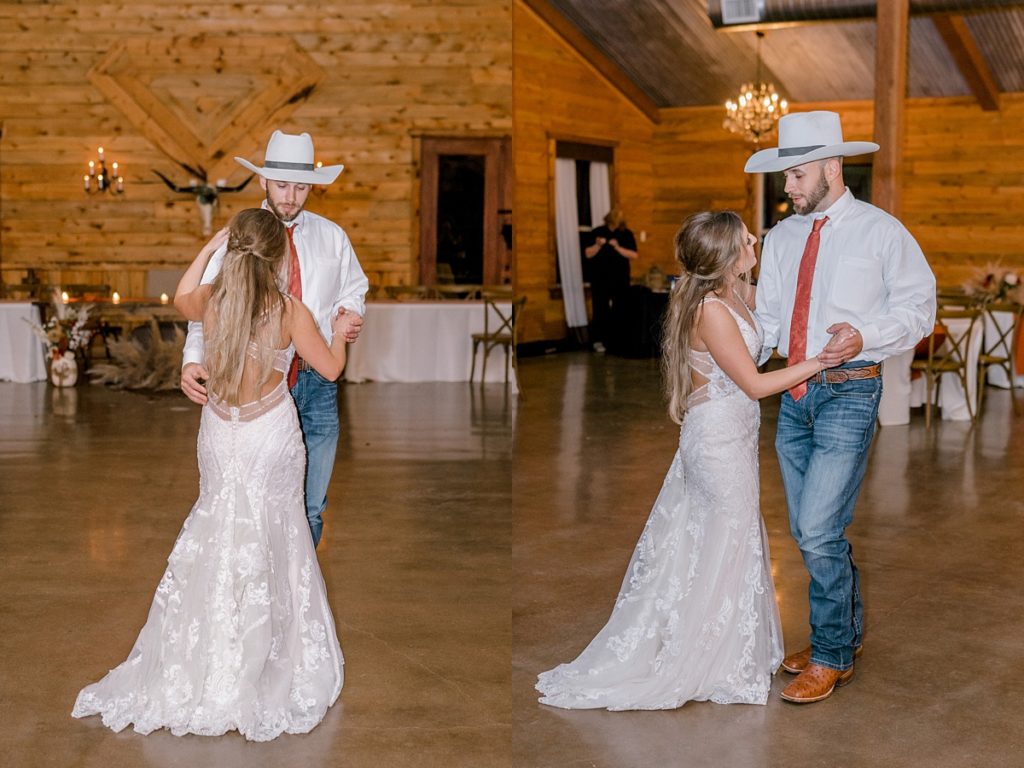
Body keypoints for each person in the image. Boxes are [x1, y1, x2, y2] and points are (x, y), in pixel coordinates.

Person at [537, 211, 837, 710]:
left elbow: (787, 313)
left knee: (724, 540)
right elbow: (756, 384)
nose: (754, 243)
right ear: (726, 254)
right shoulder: (711, 310)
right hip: (716, 440)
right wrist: (820, 363)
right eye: (746, 240)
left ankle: (722, 648)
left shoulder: (736, 293)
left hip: (734, 435)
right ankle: (703, 658)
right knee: (727, 537)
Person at [73, 208, 353, 740]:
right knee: (279, 537)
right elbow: (331, 369)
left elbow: (180, 297)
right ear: (281, 255)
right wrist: (340, 332)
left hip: (221, 433)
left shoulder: (214, 300)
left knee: (217, 528)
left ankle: (206, 654)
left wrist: (210, 247)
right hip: (268, 435)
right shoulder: (289, 310)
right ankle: (267, 655)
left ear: (233, 250)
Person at [746, 111, 936, 704]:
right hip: (792, 391)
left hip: (851, 389)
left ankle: (829, 654)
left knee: (820, 529)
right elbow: (773, 319)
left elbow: (919, 309)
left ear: (832, 167)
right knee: (809, 532)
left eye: (796, 174)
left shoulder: (882, 232)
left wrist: (866, 334)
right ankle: (842, 634)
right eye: (785, 177)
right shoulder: (781, 237)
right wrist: (731, 358)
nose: (788, 187)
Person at [181, 130, 369, 549]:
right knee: (250, 500)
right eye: (282, 185)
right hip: (253, 383)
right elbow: (206, 309)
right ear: (263, 182)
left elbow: (353, 288)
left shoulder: (332, 237)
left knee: (310, 506)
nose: (291, 196)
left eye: (301, 187)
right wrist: (192, 360)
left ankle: (298, 597)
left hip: (316, 382)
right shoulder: (241, 238)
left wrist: (351, 313)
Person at [584, 208, 637, 353]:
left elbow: (633, 255)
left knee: (620, 308)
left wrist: (618, 247)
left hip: (620, 279)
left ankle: (617, 340)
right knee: (600, 309)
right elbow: (588, 254)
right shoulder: (597, 232)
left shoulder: (626, 234)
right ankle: (597, 340)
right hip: (600, 279)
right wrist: (598, 245)